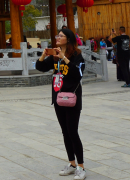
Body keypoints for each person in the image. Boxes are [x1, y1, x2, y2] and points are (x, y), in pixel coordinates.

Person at [36, 28, 87, 180]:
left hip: (72, 97)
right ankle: (72, 164)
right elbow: (40, 67)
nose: (57, 37)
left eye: (61, 36)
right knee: (65, 132)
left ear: (69, 39)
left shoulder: (77, 55)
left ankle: (81, 167)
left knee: (73, 132)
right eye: (57, 35)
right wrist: (44, 55)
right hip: (58, 97)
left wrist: (64, 57)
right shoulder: (55, 56)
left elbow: (78, 73)